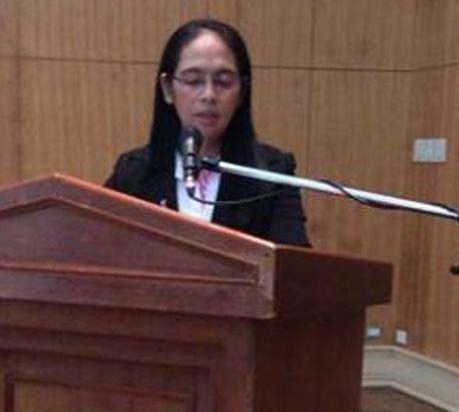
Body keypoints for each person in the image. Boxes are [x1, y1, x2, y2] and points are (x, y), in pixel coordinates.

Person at [105, 18, 310, 246]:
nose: (209, 95)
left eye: (223, 82)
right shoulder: (133, 173)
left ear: (242, 91)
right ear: (168, 88)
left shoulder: (272, 175)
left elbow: (293, 262)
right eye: (194, 81)